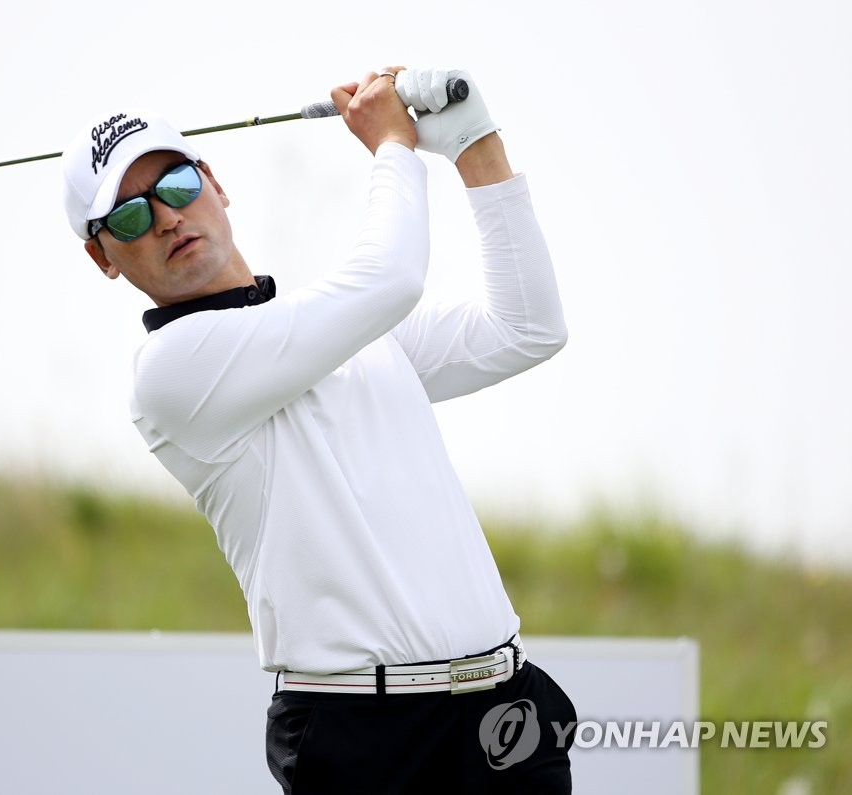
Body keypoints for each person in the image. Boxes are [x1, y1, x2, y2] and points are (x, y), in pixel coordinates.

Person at [62, 65, 575, 793]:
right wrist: (393, 144)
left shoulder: (343, 331)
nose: (168, 218)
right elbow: (389, 279)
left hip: (504, 712)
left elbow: (528, 328)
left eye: (175, 185)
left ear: (215, 184)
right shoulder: (170, 372)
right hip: (363, 737)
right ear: (102, 256)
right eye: (130, 217)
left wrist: (474, 143)